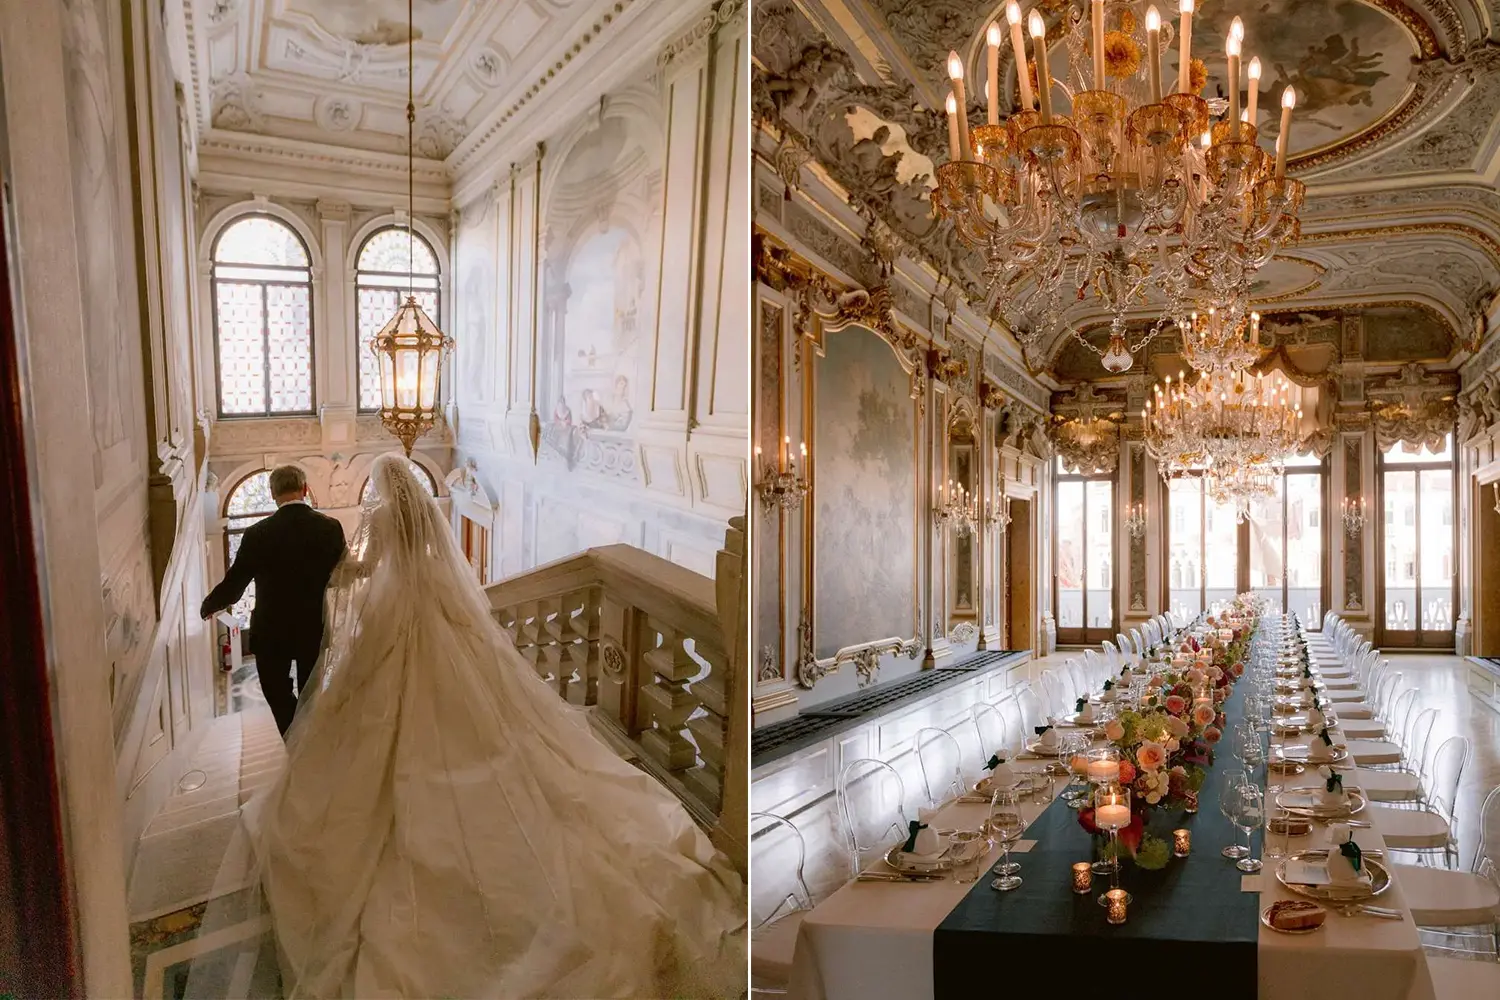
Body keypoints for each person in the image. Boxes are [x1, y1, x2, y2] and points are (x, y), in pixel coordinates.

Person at [243, 454, 745, 997]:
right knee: (475, 712)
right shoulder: (420, 522)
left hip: (391, 623)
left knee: (385, 715)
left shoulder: (379, 522)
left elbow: (354, 572)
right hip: (438, 621)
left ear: (381, 492)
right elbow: (433, 565)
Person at [201, 465, 347, 737]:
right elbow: (340, 575)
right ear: (305, 490)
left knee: (278, 694)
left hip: (271, 631)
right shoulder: (330, 527)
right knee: (310, 693)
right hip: (313, 626)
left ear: (272, 494)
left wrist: (210, 605)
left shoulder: (258, 533)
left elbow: (236, 583)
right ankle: (310, 743)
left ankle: (293, 740)